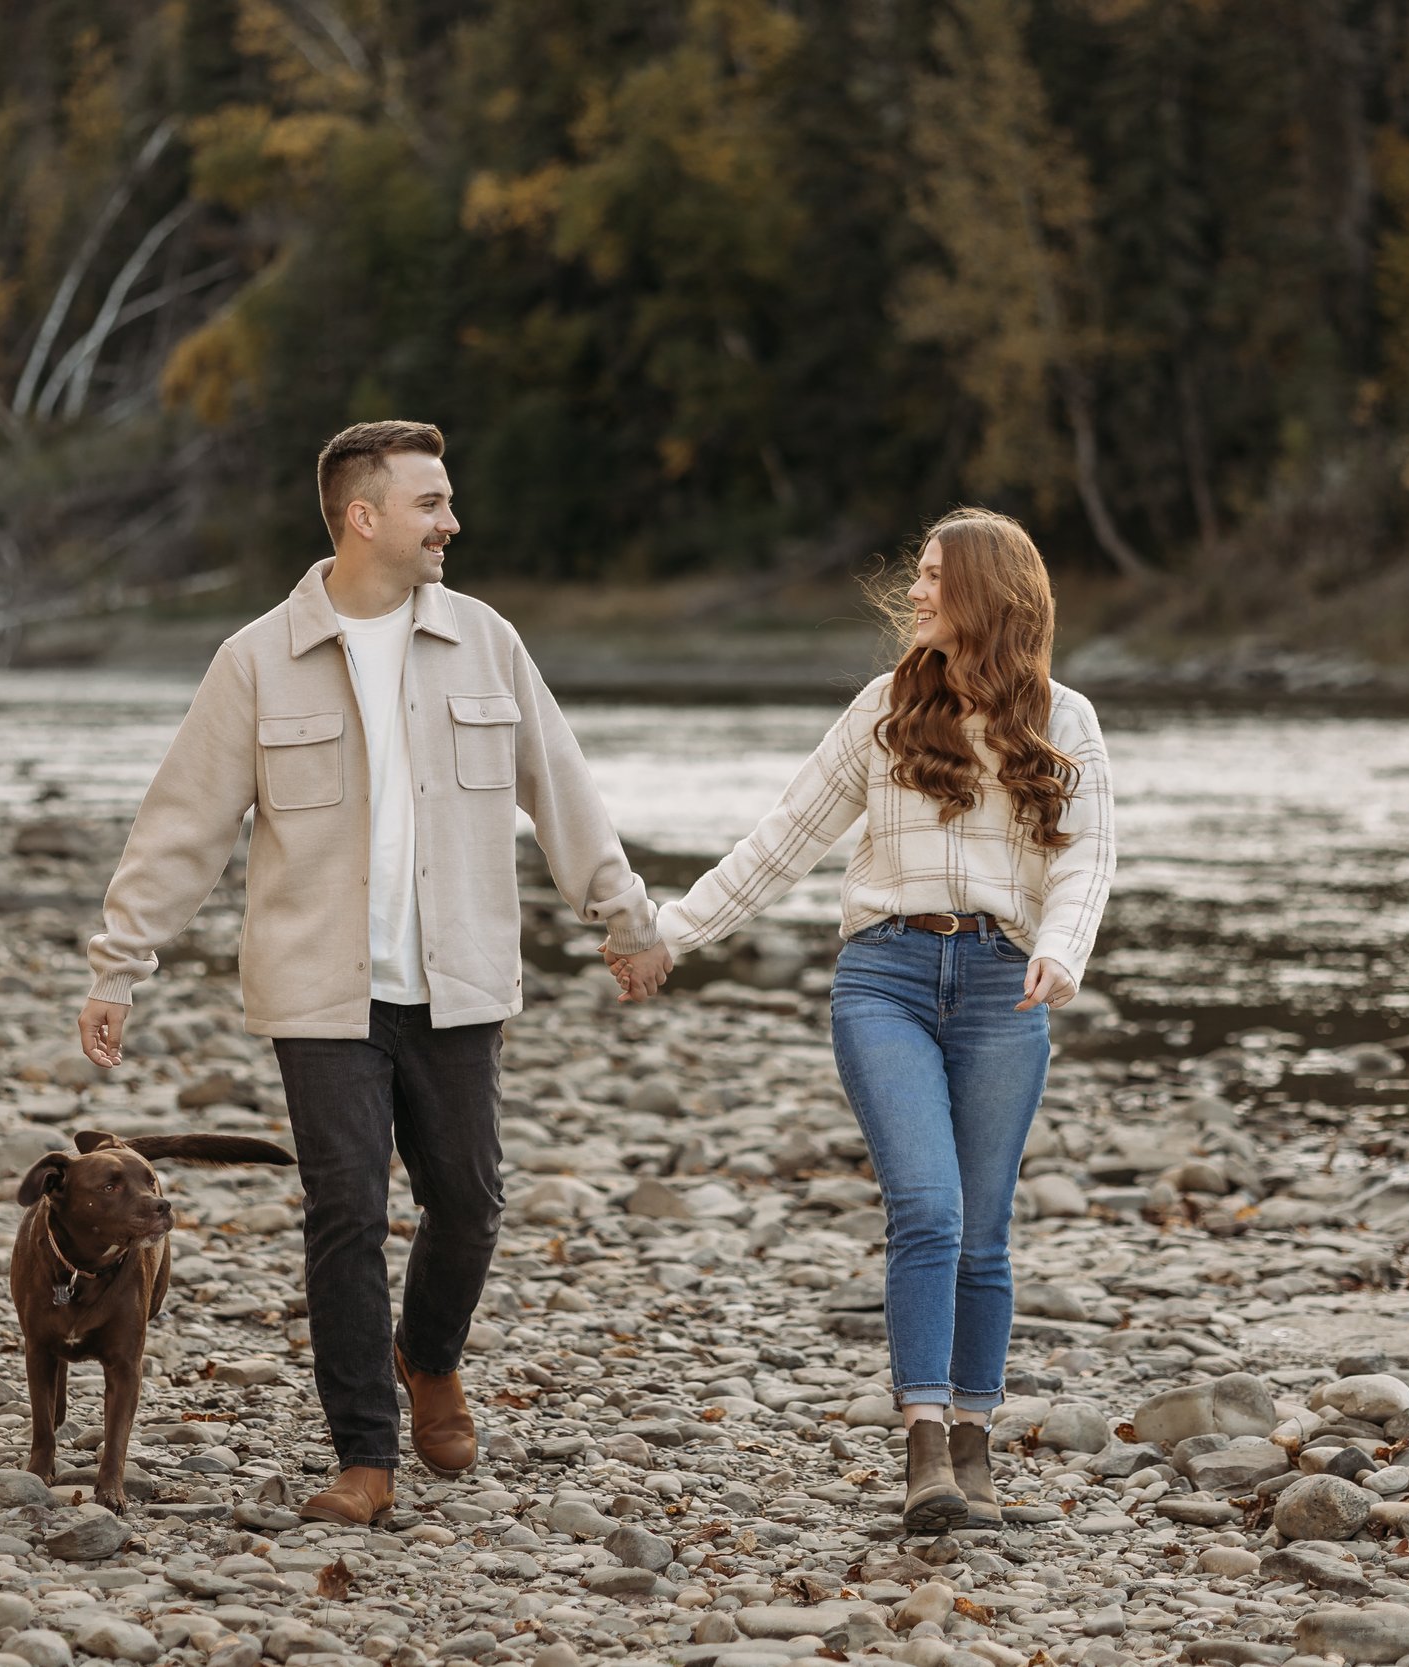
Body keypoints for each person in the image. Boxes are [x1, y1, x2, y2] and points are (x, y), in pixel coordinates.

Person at [77, 420, 664, 1526]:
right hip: (322, 991)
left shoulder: (487, 641)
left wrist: (623, 917)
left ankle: (426, 1354)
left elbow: (563, 788)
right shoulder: (257, 658)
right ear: (363, 516)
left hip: (459, 981)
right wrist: (120, 965)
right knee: (343, 1209)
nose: (453, 522)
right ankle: (365, 1457)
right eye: (431, 503)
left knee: (472, 1202)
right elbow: (181, 828)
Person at [608, 508, 1115, 1533]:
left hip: (1001, 985)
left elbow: (1086, 860)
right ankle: (924, 1445)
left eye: (934, 577)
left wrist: (1061, 950)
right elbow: (780, 839)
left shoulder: (1066, 720)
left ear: (988, 593)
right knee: (927, 1207)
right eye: (917, 575)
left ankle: (975, 1443)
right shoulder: (882, 710)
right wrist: (672, 929)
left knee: (984, 1231)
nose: (915, 591)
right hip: (882, 977)